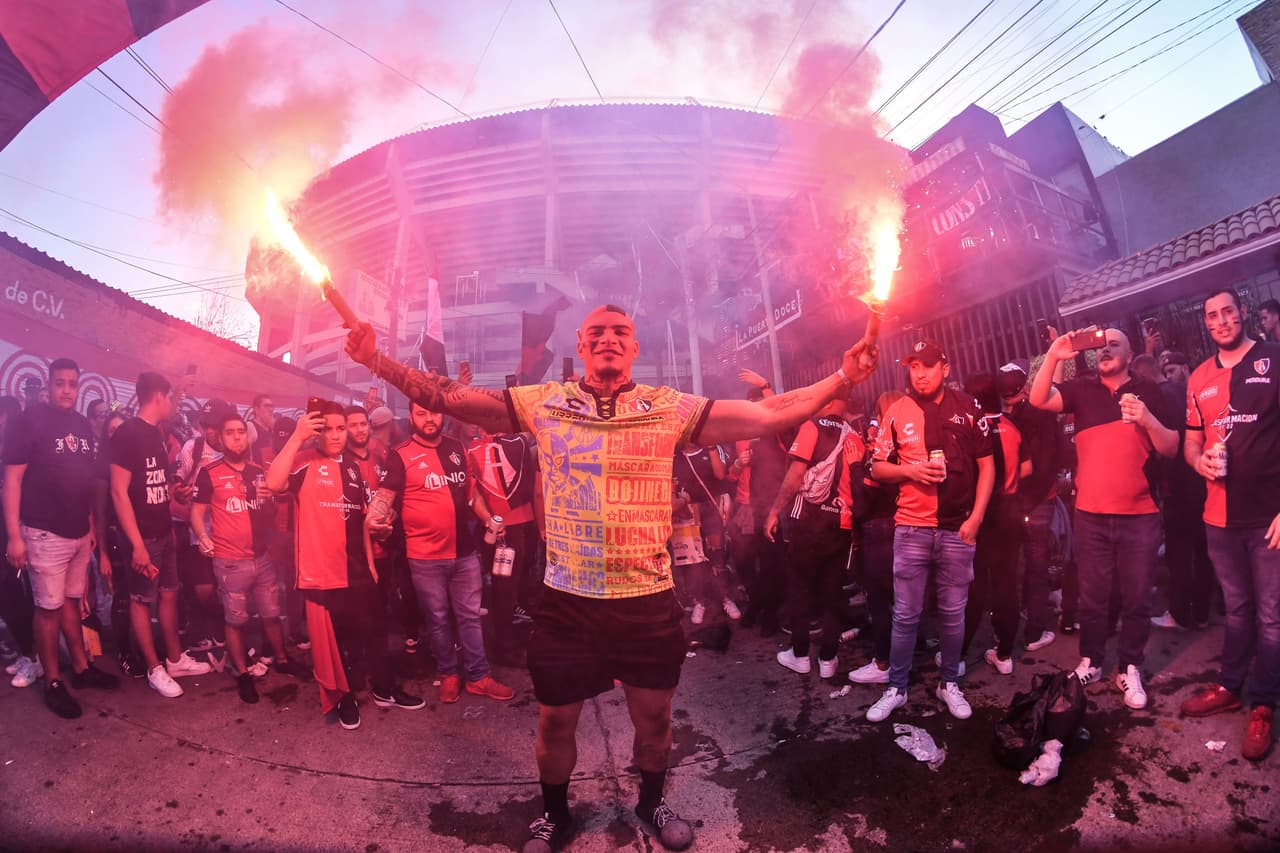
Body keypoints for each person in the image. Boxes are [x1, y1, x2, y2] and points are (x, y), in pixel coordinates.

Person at [343, 303, 877, 853]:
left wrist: (842, 377)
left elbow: (767, 415)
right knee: (554, 723)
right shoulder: (544, 401)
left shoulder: (667, 407)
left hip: (644, 601)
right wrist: (378, 361)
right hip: (567, 601)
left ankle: (650, 801)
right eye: (596, 331)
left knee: (655, 721)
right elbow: (454, 398)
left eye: (620, 331)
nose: (608, 339)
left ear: (635, 347)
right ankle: (556, 814)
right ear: (580, 344)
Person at [1029, 328, 1178, 711]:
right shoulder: (1082, 390)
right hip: (1091, 516)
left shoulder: (1149, 392)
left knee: (1137, 598)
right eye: (1102, 345)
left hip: (1139, 516)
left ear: (1130, 355)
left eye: (1115, 345)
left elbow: (1171, 447)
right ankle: (1092, 661)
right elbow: (1037, 397)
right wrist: (1055, 354)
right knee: (1092, 599)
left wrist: (1146, 419)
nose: (1106, 350)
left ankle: (1130, 666)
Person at [266, 401, 423, 730]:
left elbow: (363, 520)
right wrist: (296, 437)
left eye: (341, 428)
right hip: (324, 573)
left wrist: (376, 543)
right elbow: (275, 483)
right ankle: (344, 697)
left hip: (359, 569)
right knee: (342, 643)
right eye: (329, 429)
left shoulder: (352, 467)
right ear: (316, 432)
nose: (336, 435)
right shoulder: (305, 461)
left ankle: (383, 689)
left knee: (376, 631)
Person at [865, 341, 994, 723]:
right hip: (910, 529)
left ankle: (948, 682)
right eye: (913, 366)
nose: (920, 373)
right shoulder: (896, 411)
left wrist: (977, 520)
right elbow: (876, 468)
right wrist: (910, 471)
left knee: (953, 617)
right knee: (905, 615)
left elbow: (987, 467)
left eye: (928, 366)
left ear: (945, 368)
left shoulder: (969, 407)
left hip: (958, 530)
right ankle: (896, 688)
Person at [1179, 289, 1280, 762]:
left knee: (1272, 616)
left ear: (1242, 313)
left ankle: (1263, 704)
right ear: (1207, 323)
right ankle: (1230, 685)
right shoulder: (1199, 378)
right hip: (1218, 518)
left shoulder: (1273, 360)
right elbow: (1191, 445)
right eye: (1211, 315)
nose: (1221, 321)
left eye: (1227, 312)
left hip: (1269, 517)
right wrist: (1200, 463)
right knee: (1237, 611)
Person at [368, 402, 515, 704]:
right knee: (436, 619)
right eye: (421, 413)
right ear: (410, 417)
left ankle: (478, 677)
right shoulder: (400, 454)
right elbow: (386, 495)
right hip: (424, 557)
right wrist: (375, 516)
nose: (428, 419)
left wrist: (489, 519)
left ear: (442, 415)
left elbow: (471, 495)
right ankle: (449, 673)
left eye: (433, 412)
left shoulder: (457, 449)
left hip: (464, 553)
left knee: (470, 617)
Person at [3, 359, 120, 717]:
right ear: (48, 386)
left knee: (71, 603)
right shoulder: (29, 421)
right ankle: (53, 681)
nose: (66, 389)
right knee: (48, 608)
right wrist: (14, 536)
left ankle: (82, 670)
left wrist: (89, 528)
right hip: (43, 531)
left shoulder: (82, 424)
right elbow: (12, 481)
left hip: (78, 533)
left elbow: (82, 479)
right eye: (59, 383)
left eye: (72, 383)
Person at [191, 413, 308, 703]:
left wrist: (269, 499)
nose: (236, 437)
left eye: (241, 432)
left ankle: (281, 659)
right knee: (236, 620)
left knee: (271, 613)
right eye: (229, 432)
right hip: (230, 561)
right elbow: (196, 514)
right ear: (220, 437)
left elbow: (269, 514)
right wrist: (204, 538)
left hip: (262, 558)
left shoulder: (258, 471)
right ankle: (242, 673)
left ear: (247, 435)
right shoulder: (210, 472)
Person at [110, 372, 213, 699]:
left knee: (170, 592)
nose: (174, 404)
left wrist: (176, 494)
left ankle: (174, 659)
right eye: (172, 398)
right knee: (142, 601)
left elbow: (153, 483)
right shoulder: (127, 433)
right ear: (159, 396)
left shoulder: (155, 433)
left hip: (164, 530)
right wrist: (137, 545)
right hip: (143, 538)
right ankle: (155, 669)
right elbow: (118, 492)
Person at [767, 396, 862, 680]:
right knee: (832, 590)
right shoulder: (855, 436)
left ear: (828, 401)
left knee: (800, 587)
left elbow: (796, 474)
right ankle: (828, 658)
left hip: (808, 519)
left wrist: (774, 511)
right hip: (841, 521)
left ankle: (800, 655)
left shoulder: (812, 428)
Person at [959, 372, 1026, 675]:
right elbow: (1029, 466)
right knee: (1006, 584)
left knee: (973, 587)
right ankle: (1005, 653)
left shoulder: (972, 430)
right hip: (1009, 514)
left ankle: (957, 657)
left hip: (979, 515)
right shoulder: (1012, 426)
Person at [999, 362, 1063, 654]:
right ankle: (1034, 632)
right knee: (1037, 566)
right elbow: (1050, 460)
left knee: (1013, 565)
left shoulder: (996, 421)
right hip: (1037, 501)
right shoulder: (1042, 416)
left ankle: (1012, 626)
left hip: (1008, 503)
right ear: (1024, 386)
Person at [466, 427, 542, 662]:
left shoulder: (471, 447)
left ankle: (506, 637)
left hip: (503, 525)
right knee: (506, 588)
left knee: (507, 586)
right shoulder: (515, 443)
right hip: (509, 528)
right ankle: (504, 645)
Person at [847, 391, 903, 686]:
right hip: (909, 526)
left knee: (880, 599)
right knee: (906, 598)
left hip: (881, 530)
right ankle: (912, 648)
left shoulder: (882, 452)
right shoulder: (914, 445)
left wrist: (857, 465)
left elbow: (863, 504)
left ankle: (883, 663)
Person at [0, 394, 40, 688]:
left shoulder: (20, 453)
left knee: (19, 597)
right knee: (8, 597)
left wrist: (17, 537)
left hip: (17, 537)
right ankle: (28, 654)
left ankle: (36, 658)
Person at [246, 394, 276, 465]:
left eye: (271, 406)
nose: (271, 409)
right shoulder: (250, 426)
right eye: (266, 406)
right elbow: (243, 455)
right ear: (256, 409)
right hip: (258, 474)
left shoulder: (271, 428)